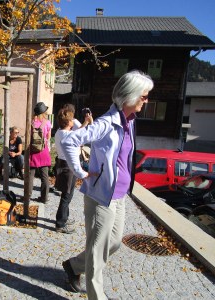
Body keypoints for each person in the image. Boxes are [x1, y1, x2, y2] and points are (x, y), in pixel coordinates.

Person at [61, 70, 154, 299]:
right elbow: (70, 141)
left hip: (119, 195)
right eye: (144, 96)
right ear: (130, 96)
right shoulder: (106, 123)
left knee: (113, 243)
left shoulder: (130, 121)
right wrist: (80, 171)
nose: (146, 100)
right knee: (97, 251)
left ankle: (73, 266)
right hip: (101, 196)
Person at [54, 108, 77, 234]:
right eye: (72, 119)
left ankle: (64, 218)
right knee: (66, 195)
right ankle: (60, 224)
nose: (74, 120)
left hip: (65, 164)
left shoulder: (59, 132)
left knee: (68, 194)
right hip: (68, 166)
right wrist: (87, 121)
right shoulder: (68, 135)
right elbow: (81, 135)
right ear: (68, 122)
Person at [29, 102, 52, 203]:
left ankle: (27, 196)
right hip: (43, 150)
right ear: (43, 112)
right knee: (44, 176)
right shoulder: (47, 122)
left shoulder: (31, 122)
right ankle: (44, 198)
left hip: (33, 151)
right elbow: (48, 137)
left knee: (30, 175)